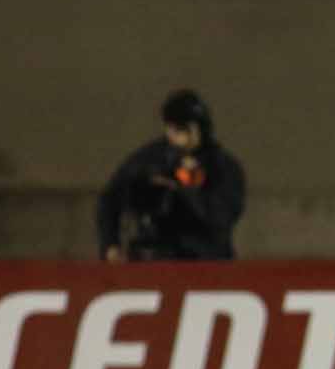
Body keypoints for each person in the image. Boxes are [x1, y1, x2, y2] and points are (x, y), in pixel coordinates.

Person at [97, 90, 245, 262]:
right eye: (173, 128)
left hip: (205, 260)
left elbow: (222, 217)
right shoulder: (151, 159)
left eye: (184, 128)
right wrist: (110, 245)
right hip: (154, 257)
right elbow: (110, 199)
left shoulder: (222, 167)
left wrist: (187, 187)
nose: (178, 135)